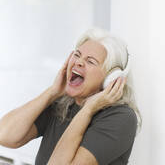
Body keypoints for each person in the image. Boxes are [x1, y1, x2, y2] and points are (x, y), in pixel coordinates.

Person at [0, 27, 142, 165]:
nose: (78, 62)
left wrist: (88, 110)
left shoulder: (121, 117)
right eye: (77, 55)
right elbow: (5, 135)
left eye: (90, 61)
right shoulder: (63, 103)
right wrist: (53, 92)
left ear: (111, 78)